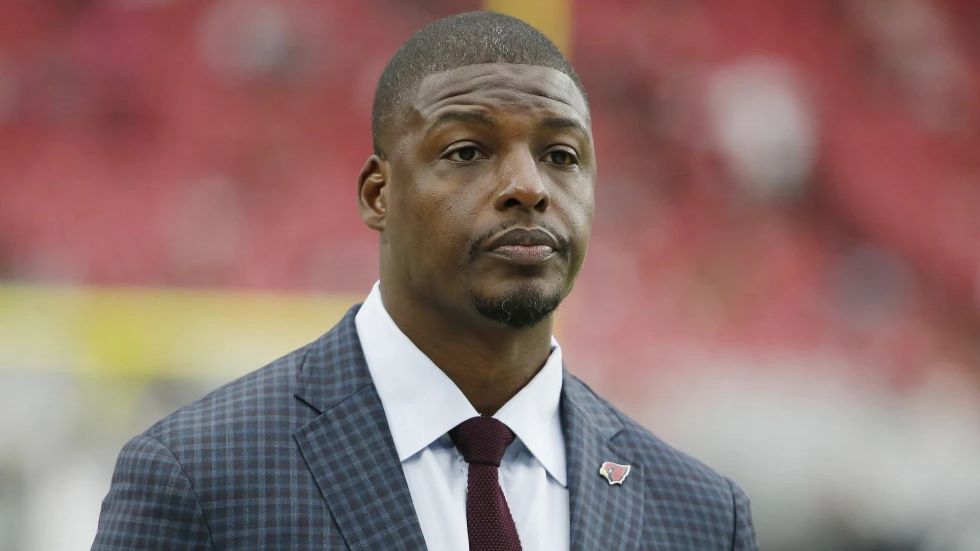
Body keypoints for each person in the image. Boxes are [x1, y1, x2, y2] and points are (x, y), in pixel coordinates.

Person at [93, 11, 757, 551]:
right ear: (379, 193)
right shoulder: (200, 476)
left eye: (561, 156)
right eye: (467, 151)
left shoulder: (701, 514)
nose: (528, 186)